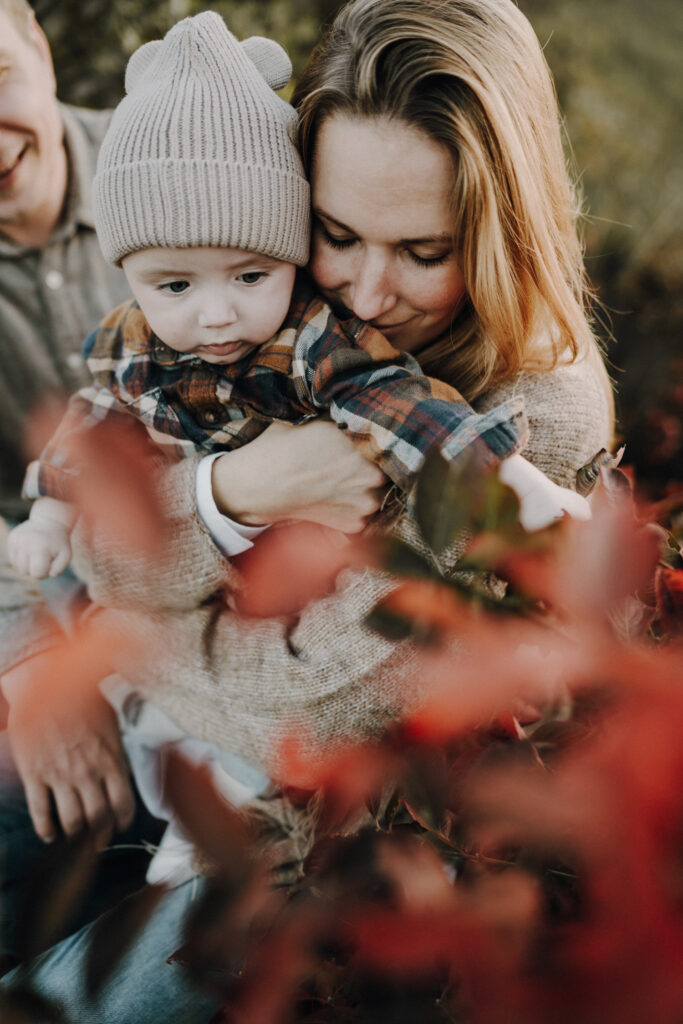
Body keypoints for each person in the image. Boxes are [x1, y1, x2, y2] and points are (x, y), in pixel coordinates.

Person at [0, 0, 614, 1020]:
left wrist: (128, 624)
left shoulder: (529, 413)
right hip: (174, 719)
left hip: (318, 831)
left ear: (501, 231)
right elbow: (104, 519)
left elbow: (318, 715)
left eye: (423, 250)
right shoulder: (273, 319)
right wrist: (235, 492)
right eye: (334, 234)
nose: (366, 295)